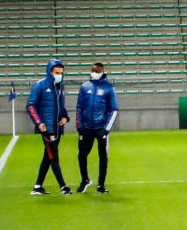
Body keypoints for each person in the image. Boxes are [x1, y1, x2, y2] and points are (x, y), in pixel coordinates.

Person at [26, 58, 70, 196]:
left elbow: (61, 107)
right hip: (47, 128)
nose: (59, 75)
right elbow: (30, 105)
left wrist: (65, 117)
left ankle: (37, 186)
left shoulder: (60, 87)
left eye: (61, 72)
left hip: (58, 127)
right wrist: (39, 123)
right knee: (53, 156)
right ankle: (63, 186)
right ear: (50, 72)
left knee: (48, 157)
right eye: (57, 72)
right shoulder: (39, 86)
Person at [75, 61, 120, 192]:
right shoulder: (84, 87)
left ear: (102, 71)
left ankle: (101, 184)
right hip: (86, 128)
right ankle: (85, 180)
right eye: (93, 71)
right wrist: (79, 126)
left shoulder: (109, 88)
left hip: (101, 129)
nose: (94, 73)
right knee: (82, 155)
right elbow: (79, 107)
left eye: (97, 71)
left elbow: (114, 109)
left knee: (103, 156)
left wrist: (106, 129)